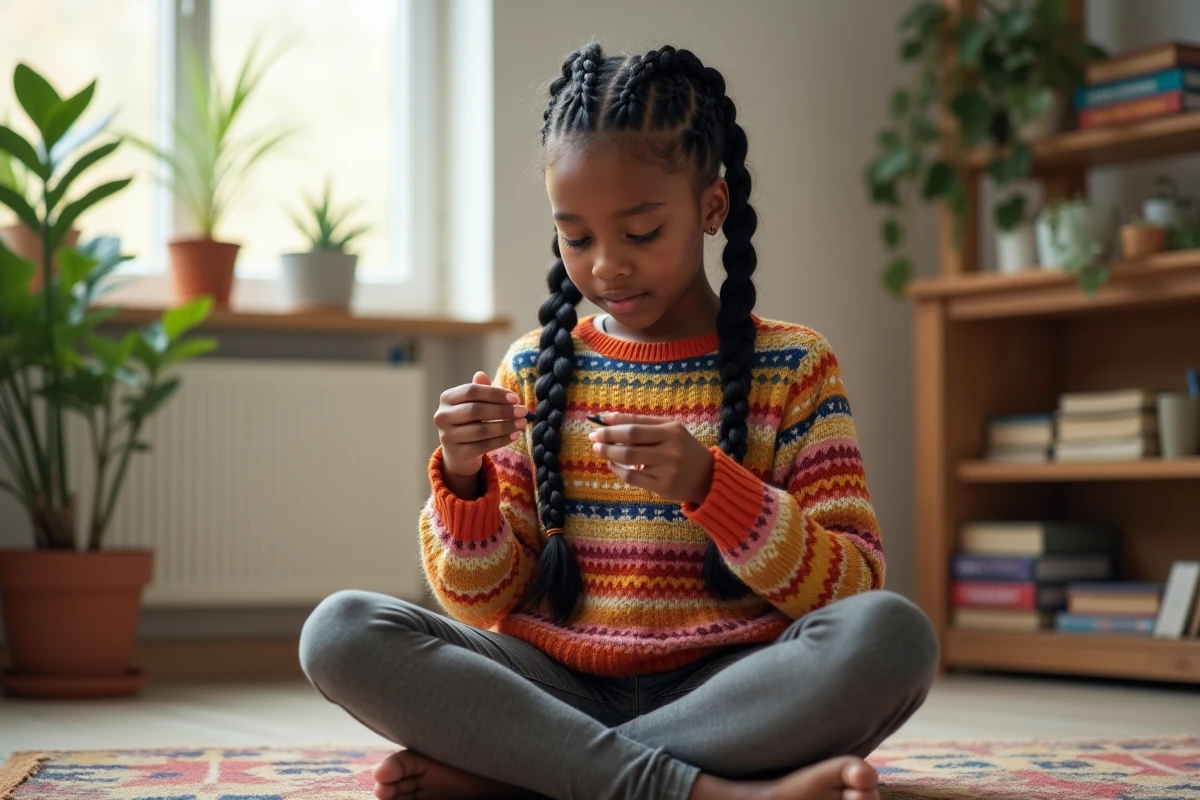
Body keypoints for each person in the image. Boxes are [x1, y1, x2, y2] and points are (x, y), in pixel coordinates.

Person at [300, 42, 938, 800]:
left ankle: (530, 772)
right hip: (555, 685)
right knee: (339, 630)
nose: (605, 266)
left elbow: (852, 588)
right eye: (577, 237)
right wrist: (464, 480)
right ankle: (697, 791)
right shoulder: (534, 367)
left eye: (640, 234)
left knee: (892, 636)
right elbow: (483, 601)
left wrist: (714, 489)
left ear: (712, 207)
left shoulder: (795, 365)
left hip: (730, 691)